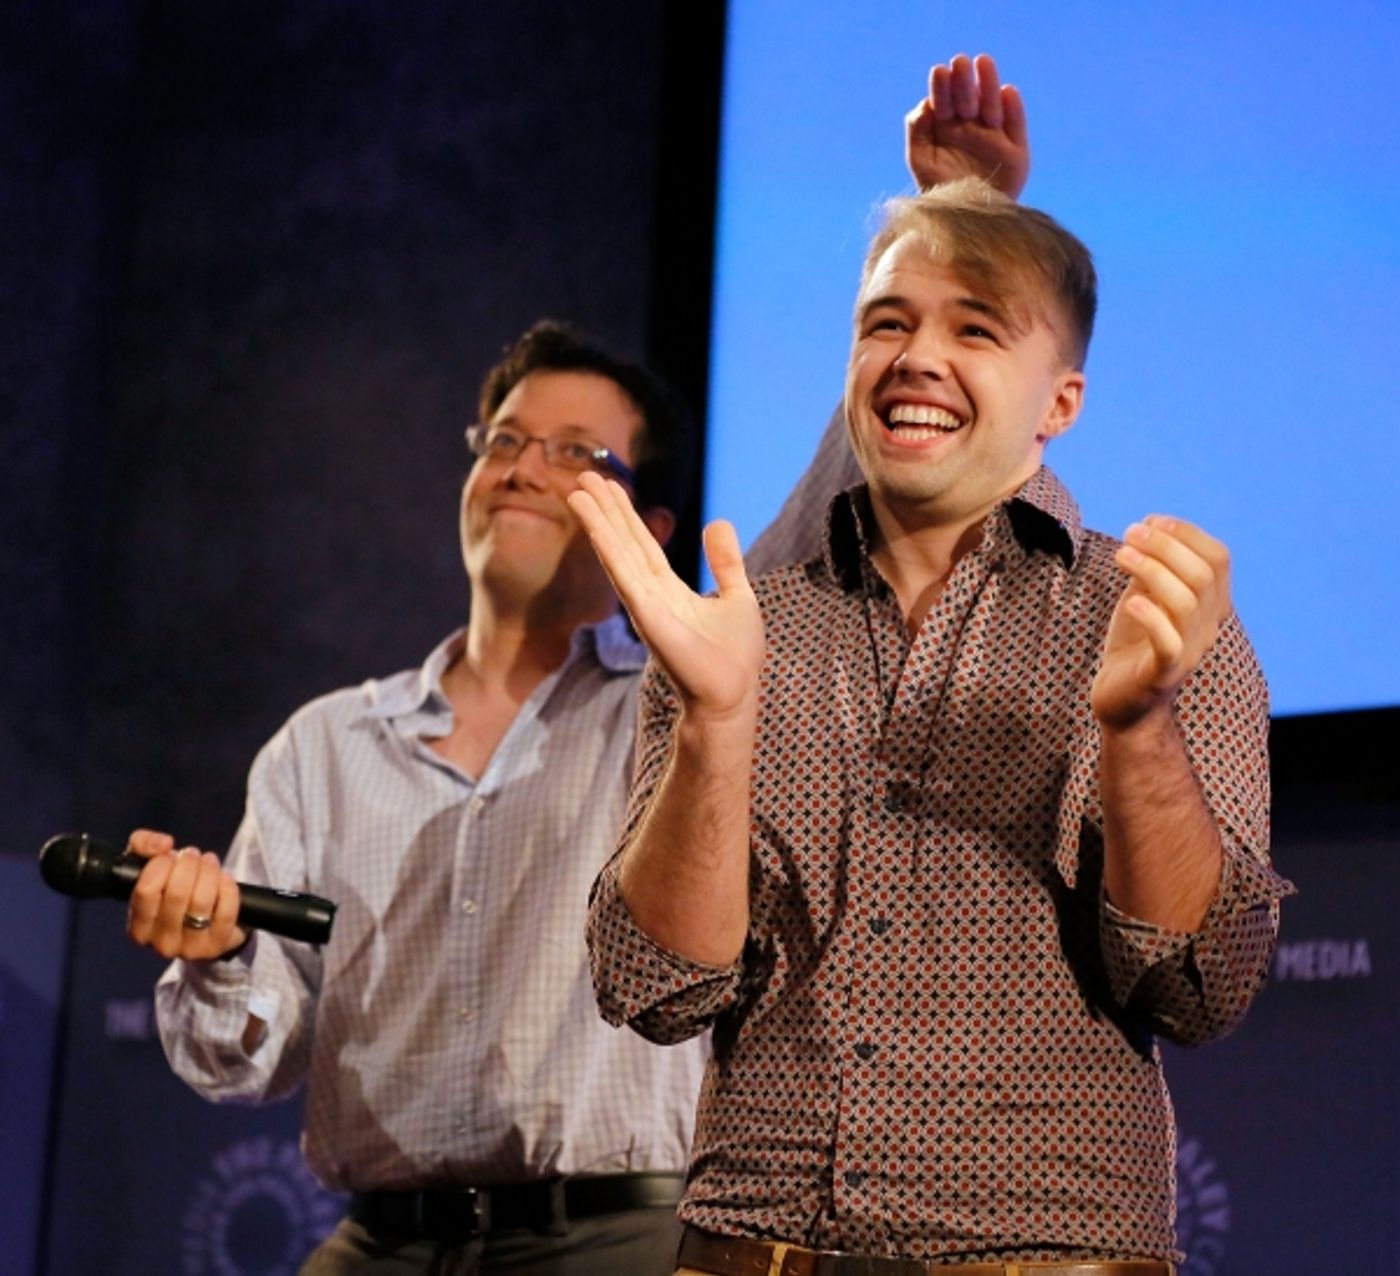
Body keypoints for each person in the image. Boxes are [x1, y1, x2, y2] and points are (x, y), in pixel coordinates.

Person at [121, 54, 1035, 1276]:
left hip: (618, 1232)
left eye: (573, 454)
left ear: (647, 525)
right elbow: (247, 1052)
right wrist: (216, 949)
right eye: (502, 440)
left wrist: (962, 216)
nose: (522, 469)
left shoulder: (679, 699)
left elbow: (844, 488)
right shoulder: (323, 744)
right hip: (378, 1242)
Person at [571, 131, 1294, 1276]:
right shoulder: (742, 630)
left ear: (1059, 399)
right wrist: (714, 727)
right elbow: (657, 988)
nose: (915, 357)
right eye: (886, 323)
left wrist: (1136, 730)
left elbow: (1197, 987)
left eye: (973, 327)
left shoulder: (1151, 620)